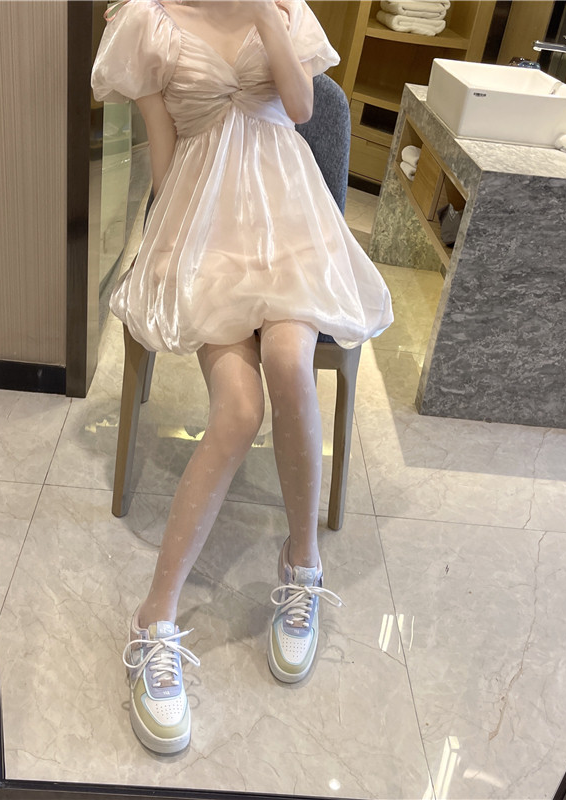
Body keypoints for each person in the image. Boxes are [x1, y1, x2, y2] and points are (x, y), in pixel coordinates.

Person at [91, 0, 393, 755]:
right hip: (206, 231)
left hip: (291, 223)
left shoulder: (283, 9)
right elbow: (165, 159)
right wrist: (170, 252)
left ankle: (302, 566)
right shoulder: (148, 22)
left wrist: (263, 13)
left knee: (290, 362)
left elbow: (302, 108)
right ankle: (154, 619)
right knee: (236, 410)